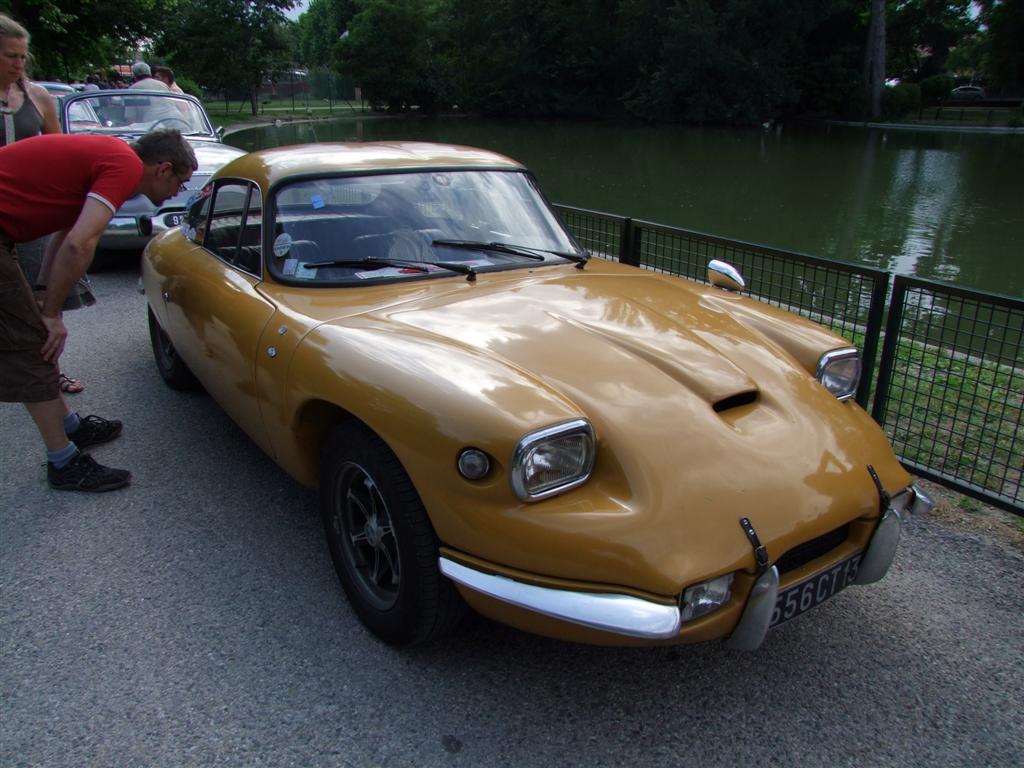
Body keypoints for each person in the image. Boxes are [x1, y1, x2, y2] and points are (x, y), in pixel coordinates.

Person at [0, 129, 197, 492]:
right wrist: (51, 315)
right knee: (30, 344)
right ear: (163, 168)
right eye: (180, 183)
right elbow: (80, 244)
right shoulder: (123, 166)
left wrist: (43, 292)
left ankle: (70, 427)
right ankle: (63, 462)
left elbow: (64, 232)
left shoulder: (111, 159)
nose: (177, 193)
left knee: (36, 335)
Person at [1, 13, 86, 394]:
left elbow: (59, 152)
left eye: (23, 56)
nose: (18, 64)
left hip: (30, 213)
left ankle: (49, 372)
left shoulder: (36, 97)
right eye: (10, 56)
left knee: (42, 293)